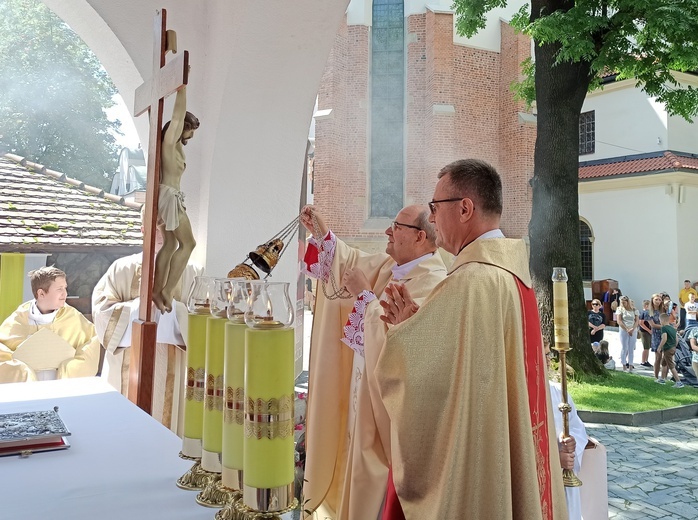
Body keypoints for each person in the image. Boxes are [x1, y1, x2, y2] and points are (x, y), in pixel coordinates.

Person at [377, 159, 567, 519]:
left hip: (481, 456)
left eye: (435, 208)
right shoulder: (513, 274)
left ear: (465, 208)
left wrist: (403, 337)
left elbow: (428, 389)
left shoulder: (470, 282)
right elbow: (474, 366)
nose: (432, 219)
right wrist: (418, 328)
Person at [300, 204, 447, 520]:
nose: (387, 231)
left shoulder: (433, 283)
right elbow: (350, 261)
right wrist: (323, 235)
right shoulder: (395, 267)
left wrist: (366, 298)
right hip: (361, 404)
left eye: (396, 226)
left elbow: (401, 354)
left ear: (420, 236)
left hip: (385, 423)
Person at [92, 220, 202, 434]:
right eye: (155, 223)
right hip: (126, 373)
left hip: (177, 374)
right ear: (143, 228)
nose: (161, 230)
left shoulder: (193, 273)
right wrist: (140, 310)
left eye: (167, 224)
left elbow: (205, 322)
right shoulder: (121, 268)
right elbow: (102, 315)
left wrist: (170, 314)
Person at [0, 267, 99, 383]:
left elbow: (91, 344)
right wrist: (22, 371)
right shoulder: (18, 320)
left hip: (60, 388)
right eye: (59, 289)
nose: (65, 294)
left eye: (65, 288)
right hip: (28, 391)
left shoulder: (73, 317)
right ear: (41, 293)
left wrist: (68, 369)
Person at [152, 85, 200, 314]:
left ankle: (157, 289)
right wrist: (182, 89)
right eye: (191, 130)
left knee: (171, 244)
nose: (192, 134)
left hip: (170, 196)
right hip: (169, 196)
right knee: (189, 243)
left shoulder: (176, 147)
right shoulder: (169, 143)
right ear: (183, 128)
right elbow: (176, 116)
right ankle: (167, 290)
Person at [545, 344, 587, 520]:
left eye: (549, 353)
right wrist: (555, 460)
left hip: (564, 481)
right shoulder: (520, 396)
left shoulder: (559, 392)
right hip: (543, 478)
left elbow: (577, 427)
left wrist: (572, 443)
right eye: (544, 354)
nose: (549, 359)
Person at [656, 313, 684, 387]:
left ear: (662, 320)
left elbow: (664, 338)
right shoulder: (672, 328)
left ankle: (679, 382)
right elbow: (676, 339)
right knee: (664, 363)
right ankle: (662, 379)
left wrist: (659, 347)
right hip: (673, 348)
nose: (660, 322)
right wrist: (674, 346)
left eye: (660, 321)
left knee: (671, 365)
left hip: (667, 349)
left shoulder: (664, 328)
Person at [615, 296, 639, 372]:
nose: (623, 304)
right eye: (621, 302)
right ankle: (624, 364)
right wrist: (626, 329)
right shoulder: (620, 309)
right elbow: (619, 321)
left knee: (631, 348)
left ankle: (631, 365)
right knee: (624, 347)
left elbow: (637, 321)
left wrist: (632, 329)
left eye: (624, 302)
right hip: (624, 329)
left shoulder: (634, 310)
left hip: (633, 329)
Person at [638, 299, 653, 367]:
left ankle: (646, 360)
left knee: (648, 347)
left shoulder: (647, 312)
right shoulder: (643, 313)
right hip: (644, 332)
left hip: (648, 331)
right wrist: (649, 330)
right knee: (646, 347)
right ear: (646, 306)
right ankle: (643, 361)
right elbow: (641, 323)